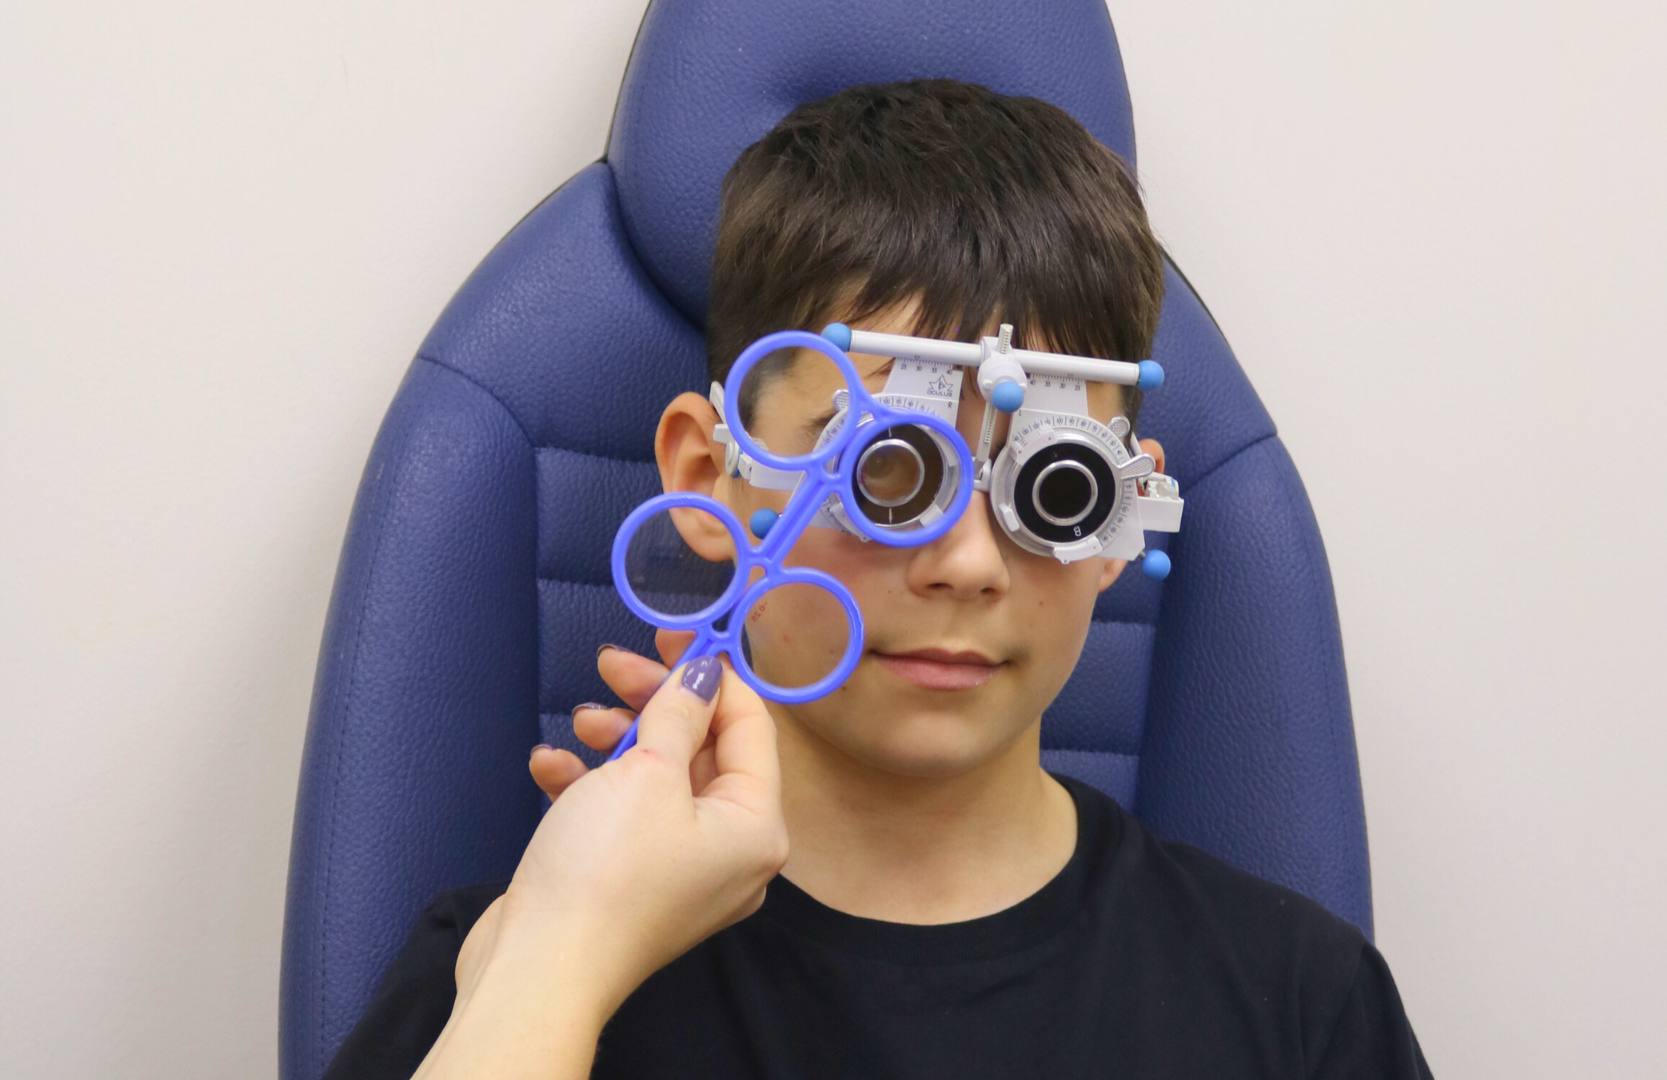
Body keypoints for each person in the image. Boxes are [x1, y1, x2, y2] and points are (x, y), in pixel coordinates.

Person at [322, 79, 1432, 1079]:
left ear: (1119, 518)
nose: (967, 563)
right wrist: (562, 960)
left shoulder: (1300, 1008)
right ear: (710, 479)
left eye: (1054, 486)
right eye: (886, 469)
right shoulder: (509, 979)